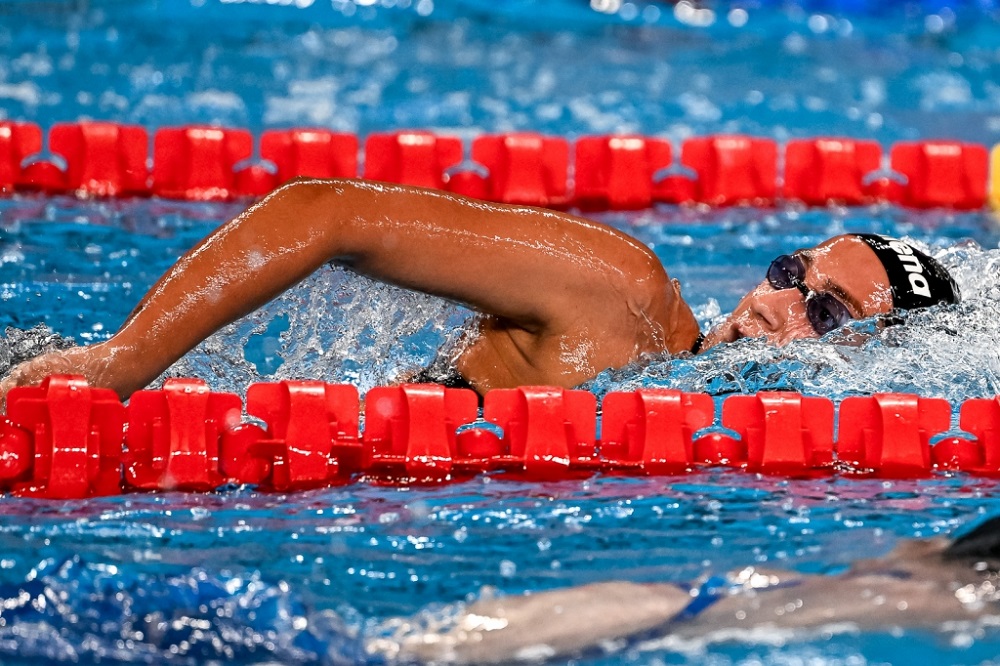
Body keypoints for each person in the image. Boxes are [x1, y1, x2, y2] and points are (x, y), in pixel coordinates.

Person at [0, 178, 960, 405]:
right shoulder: (620, 294)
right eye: (793, 272)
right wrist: (121, 362)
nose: (779, 301)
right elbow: (321, 210)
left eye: (825, 310)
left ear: (873, 364)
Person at [378, 515, 1000, 664]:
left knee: (706, 601)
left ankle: (414, 645)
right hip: (955, 582)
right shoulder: (941, 596)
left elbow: (920, 549)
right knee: (704, 608)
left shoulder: (923, 558)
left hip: (948, 565)